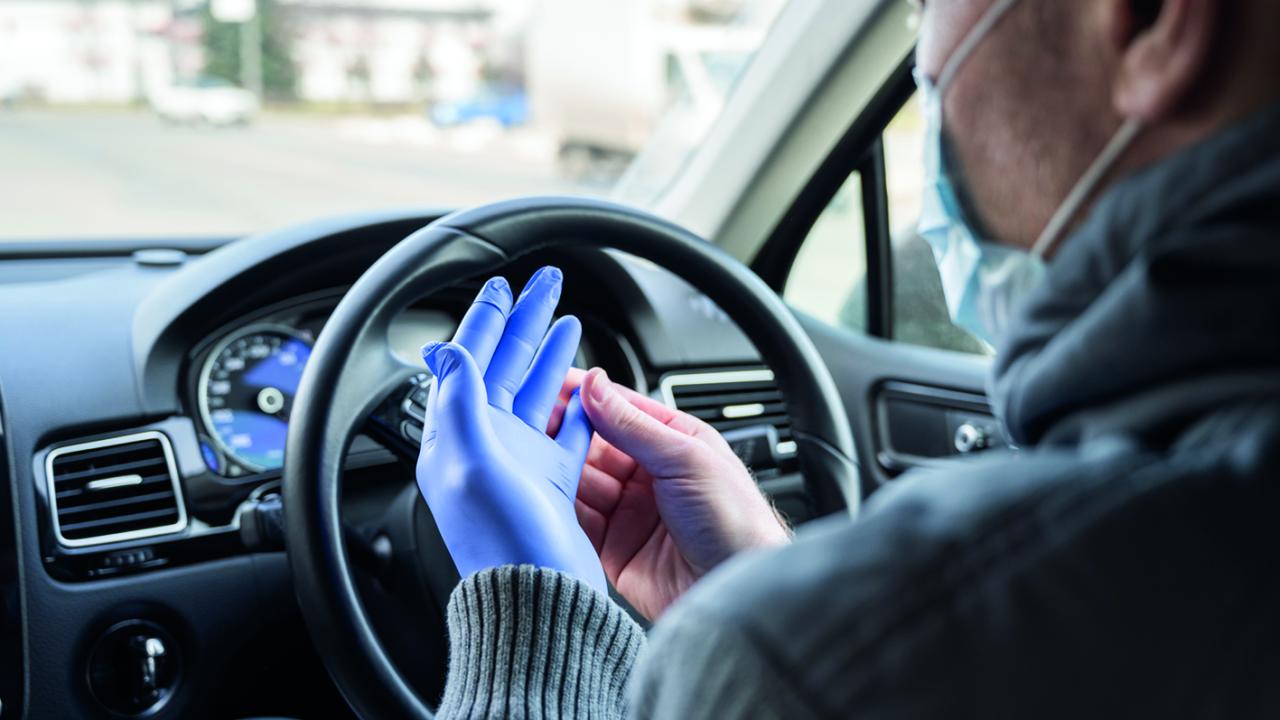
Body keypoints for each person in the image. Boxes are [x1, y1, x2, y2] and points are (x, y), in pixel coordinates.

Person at [416, 0, 1280, 716]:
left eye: (930, 6)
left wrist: (533, 621)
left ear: (1154, 23)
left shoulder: (792, 665)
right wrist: (765, 577)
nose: (925, 54)